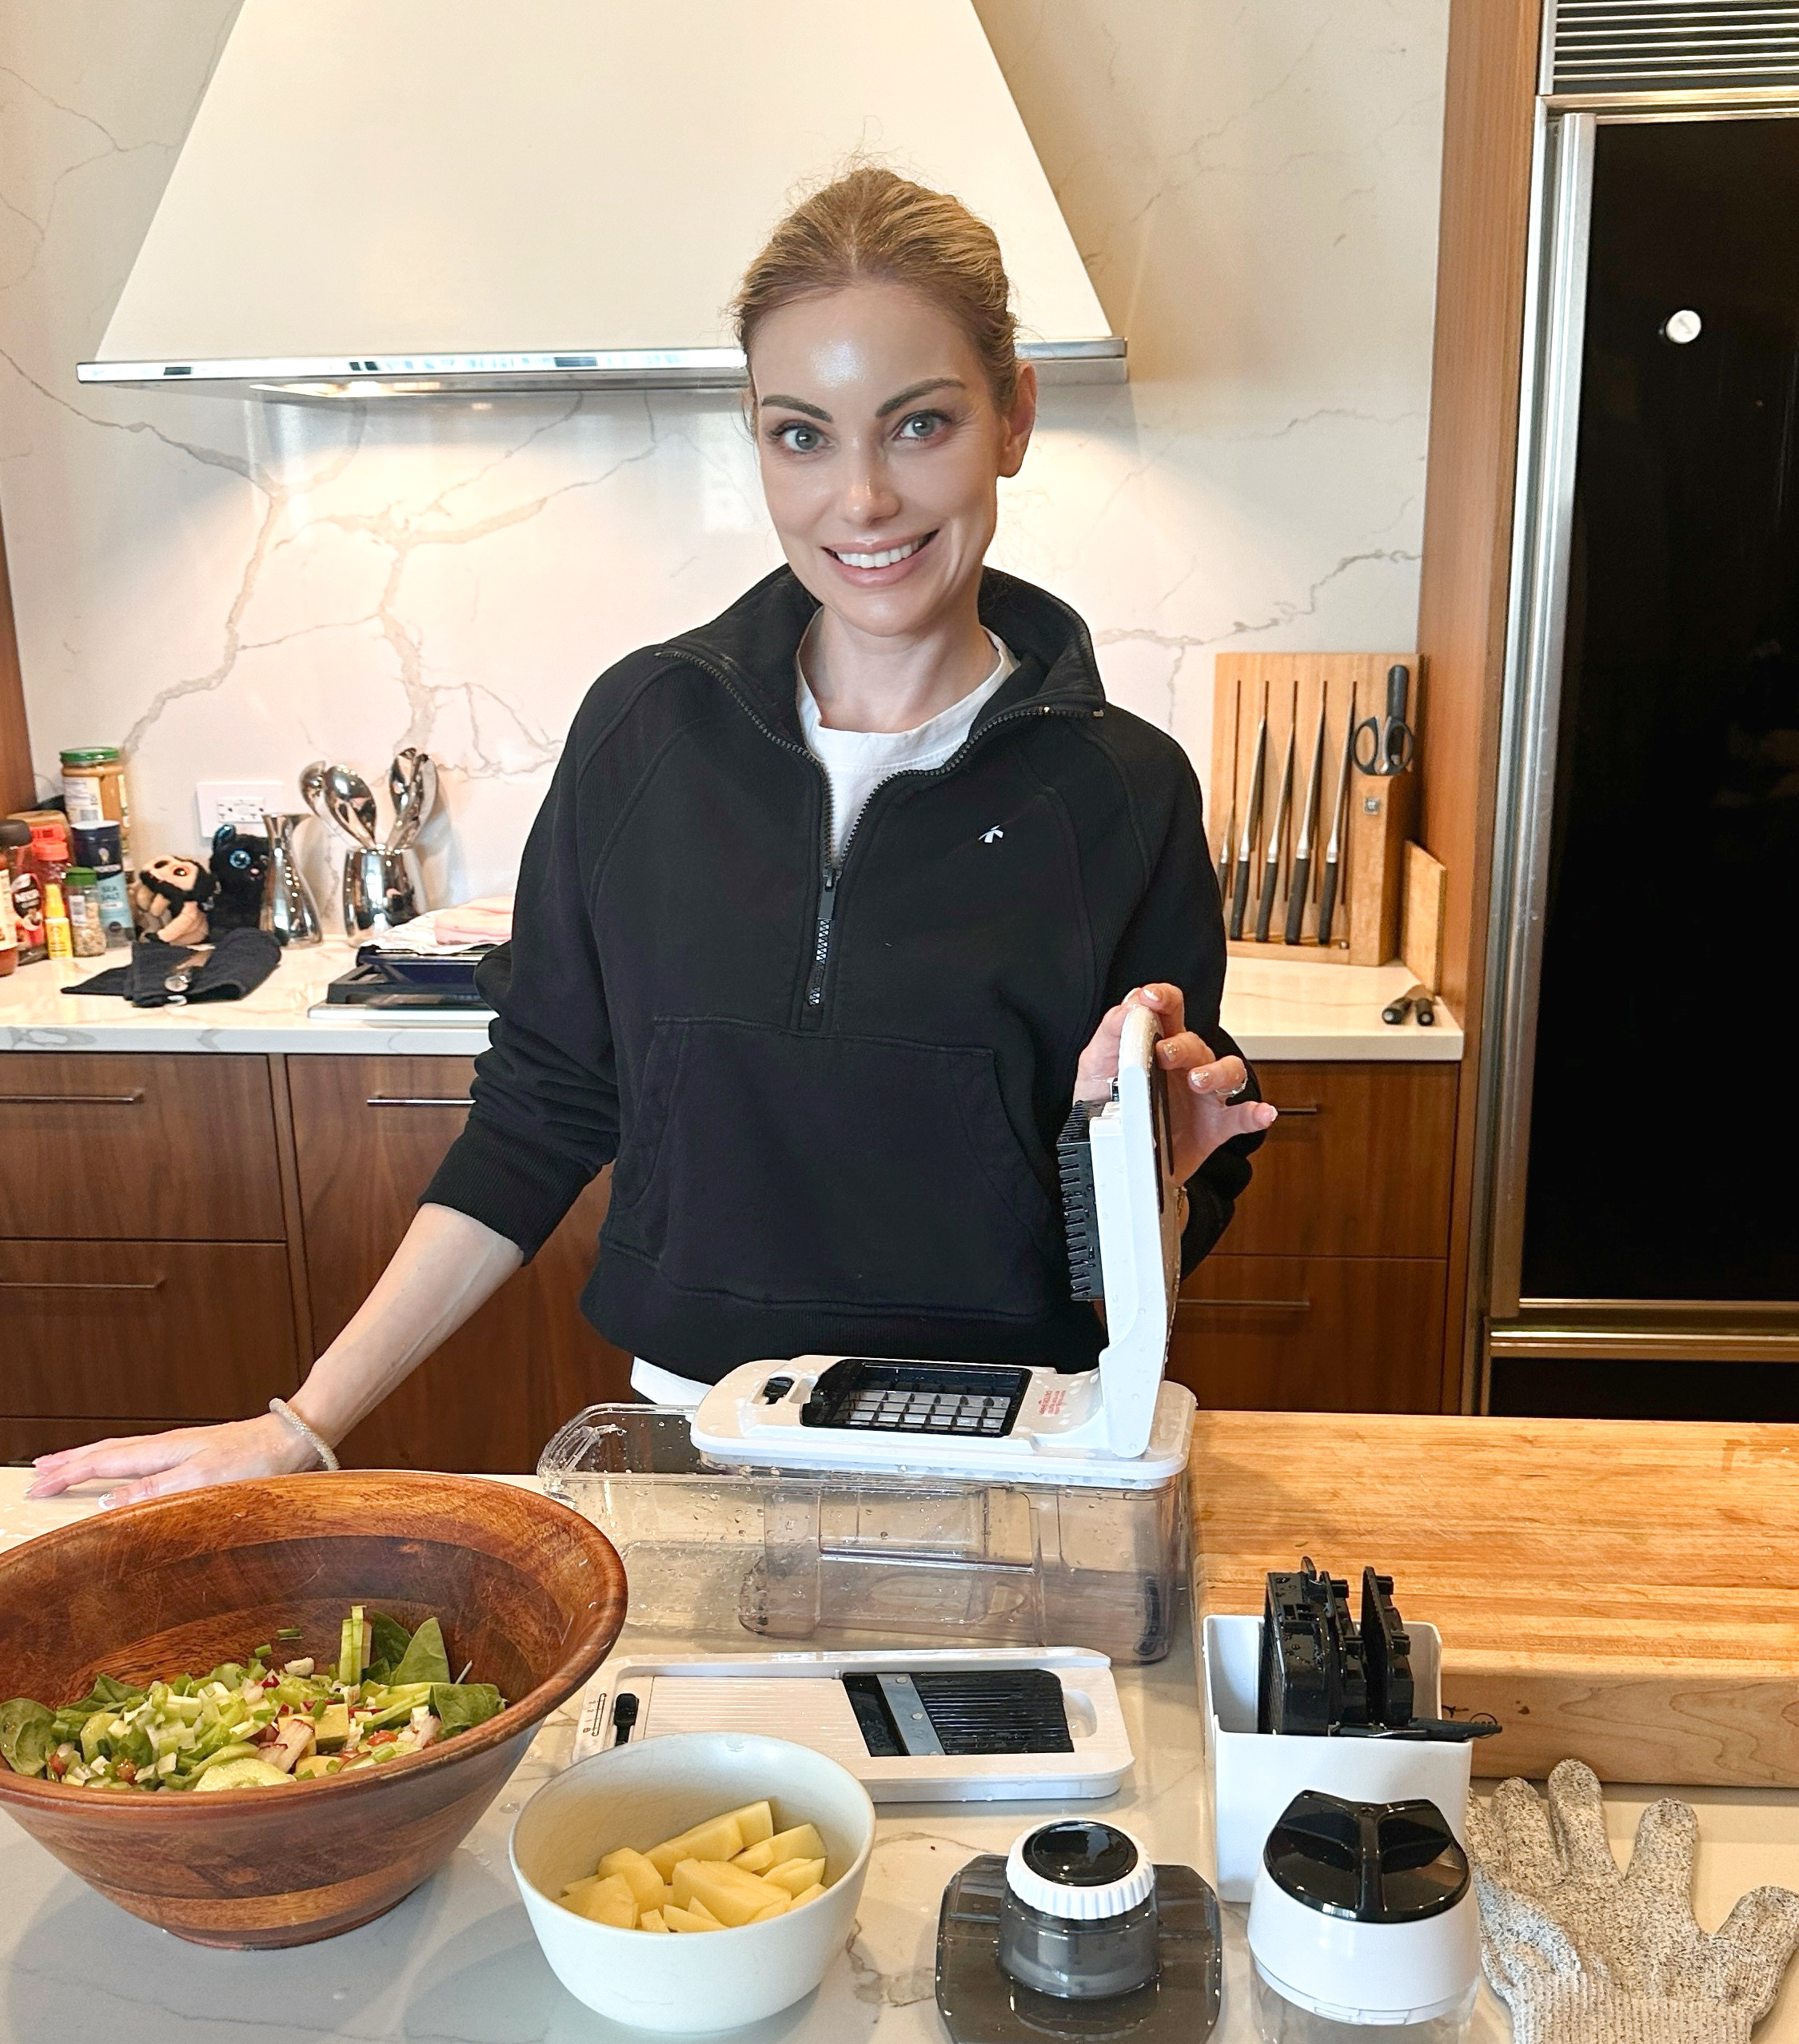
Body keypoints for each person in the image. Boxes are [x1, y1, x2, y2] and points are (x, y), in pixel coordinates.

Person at [29, 168, 1275, 1505]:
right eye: (801, 435)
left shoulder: (1122, 790)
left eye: (918, 424)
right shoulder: (646, 731)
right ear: (754, 438)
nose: (858, 498)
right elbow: (540, 1108)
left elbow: (1133, 1240)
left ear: (1011, 416)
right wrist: (299, 1424)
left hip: (1009, 1456)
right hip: (692, 1445)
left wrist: (1142, 1170)